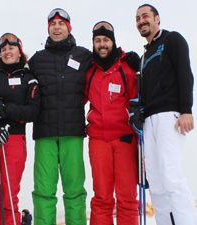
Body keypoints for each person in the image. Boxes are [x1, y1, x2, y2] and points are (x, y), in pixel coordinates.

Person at [135, 4, 197, 225]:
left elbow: (185, 73)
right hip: (150, 122)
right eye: (138, 18)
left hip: (169, 116)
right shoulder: (144, 56)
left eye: (145, 16)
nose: (141, 21)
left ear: (157, 19)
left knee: (171, 177)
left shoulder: (172, 40)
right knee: (156, 181)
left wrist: (186, 110)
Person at [29, 8, 91, 225]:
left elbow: (105, 66)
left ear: (68, 27)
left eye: (61, 24)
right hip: (44, 133)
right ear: (48, 29)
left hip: (72, 132)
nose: (57, 27)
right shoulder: (37, 60)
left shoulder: (83, 56)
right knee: (43, 191)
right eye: (53, 24)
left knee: (74, 190)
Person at [0, 32, 40, 225]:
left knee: (9, 198)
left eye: (11, 48)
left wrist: (5, 111)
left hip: (13, 139)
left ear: (20, 52)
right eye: (3, 49)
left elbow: (33, 111)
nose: (7, 51)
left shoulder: (29, 78)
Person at [84, 21, 139, 225]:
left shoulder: (127, 68)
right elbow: (77, 98)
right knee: (102, 197)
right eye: (98, 41)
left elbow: (138, 99)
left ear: (113, 42)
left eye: (106, 40)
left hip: (124, 138)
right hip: (98, 139)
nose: (102, 44)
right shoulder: (89, 71)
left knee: (126, 197)